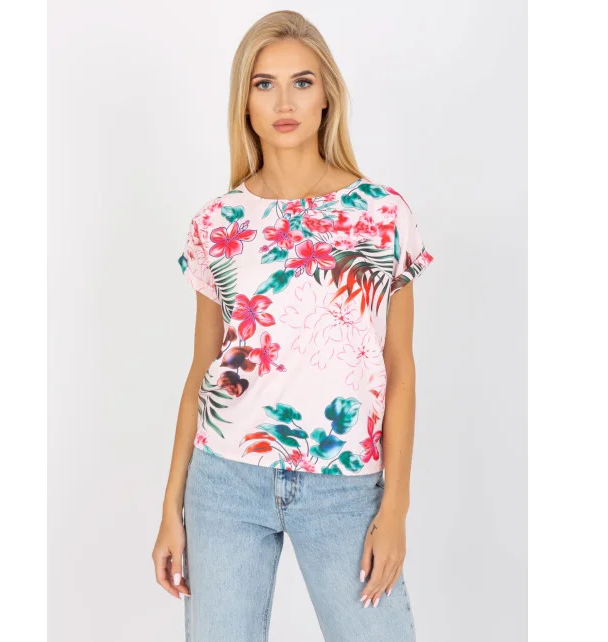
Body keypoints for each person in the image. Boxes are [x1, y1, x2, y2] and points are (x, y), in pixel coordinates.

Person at [152, 10, 434, 641]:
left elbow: (400, 370)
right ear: (245, 102)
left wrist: (395, 506)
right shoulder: (217, 223)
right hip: (225, 481)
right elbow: (202, 370)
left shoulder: (382, 214)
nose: (284, 102)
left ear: (326, 95)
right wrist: (171, 506)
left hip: (346, 486)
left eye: (302, 82)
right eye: (265, 84)